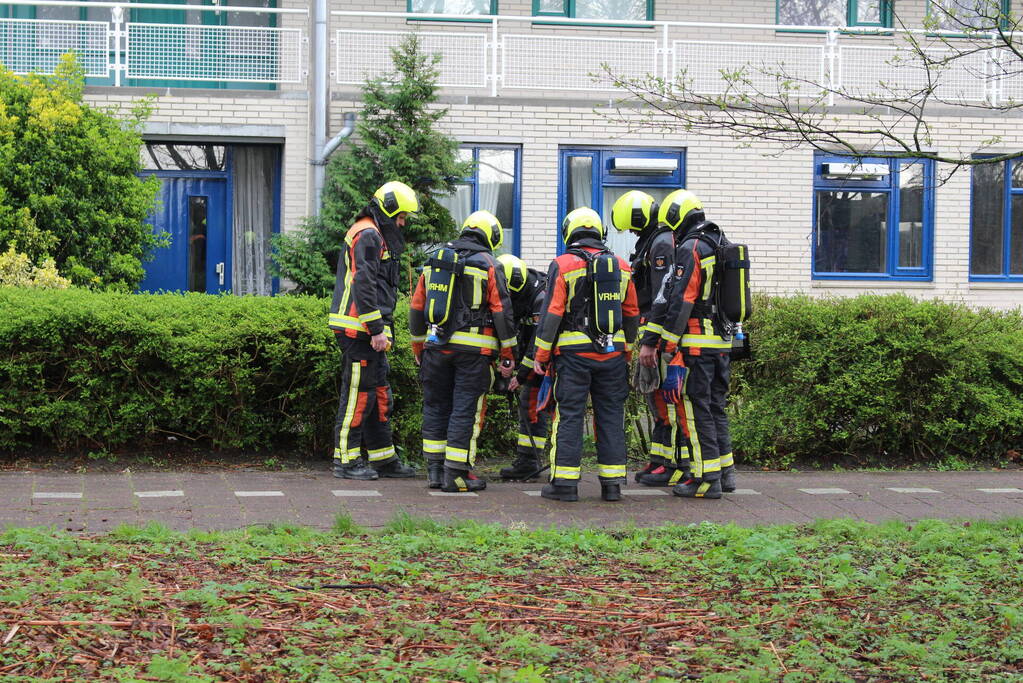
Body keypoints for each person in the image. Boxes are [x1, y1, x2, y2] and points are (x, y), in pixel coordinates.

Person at [531, 207, 639, 502]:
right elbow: (630, 313)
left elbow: (551, 312)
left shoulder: (563, 264)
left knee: (569, 416)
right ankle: (613, 485)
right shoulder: (621, 266)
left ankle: (564, 486)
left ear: (570, 232)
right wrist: (626, 350)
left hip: (573, 356)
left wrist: (541, 355)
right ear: (599, 233)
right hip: (613, 355)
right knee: (611, 417)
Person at [409, 210, 517, 492]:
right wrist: (508, 353)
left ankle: (434, 471)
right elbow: (501, 311)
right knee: (464, 410)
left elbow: (417, 307)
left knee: (435, 406)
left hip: (435, 348)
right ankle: (456, 475)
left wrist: (419, 347)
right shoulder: (488, 264)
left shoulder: (435, 262)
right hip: (474, 353)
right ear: (491, 236)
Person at [643, 190, 737, 499]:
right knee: (715, 408)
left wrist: (668, 347)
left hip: (696, 345)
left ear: (675, 217)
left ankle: (706, 479)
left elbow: (681, 298)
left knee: (696, 412)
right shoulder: (720, 243)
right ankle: (725, 473)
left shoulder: (690, 247)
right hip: (721, 343)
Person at [328, 181, 419, 480]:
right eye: (401, 216)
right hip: (358, 330)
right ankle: (345, 459)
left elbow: (379, 287)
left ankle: (383, 458)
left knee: (379, 393)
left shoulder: (374, 233)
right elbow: (364, 284)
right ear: (389, 209)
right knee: (357, 395)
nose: (403, 223)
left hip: (369, 329)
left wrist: (383, 329)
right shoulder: (367, 233)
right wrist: (376, 328)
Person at [610, 190, 689, 488]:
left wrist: (653, 342)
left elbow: (662, 296)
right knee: (657, 398)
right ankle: (660, 460)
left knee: (667, 398)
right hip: (652, 331)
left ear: (639, 219)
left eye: (631, 225)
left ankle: (673, 464)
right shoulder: (655, 241)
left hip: (658, 336)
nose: (630, 231)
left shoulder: (661, 244)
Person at [495, 253, 549, 481]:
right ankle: (528, 460)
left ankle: (531, 461)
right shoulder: (515, 293)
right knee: (530, 405)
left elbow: (539, 339)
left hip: (547, 360)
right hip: (534, 359)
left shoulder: (540, 296)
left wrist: (522, 375)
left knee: (536, 406)